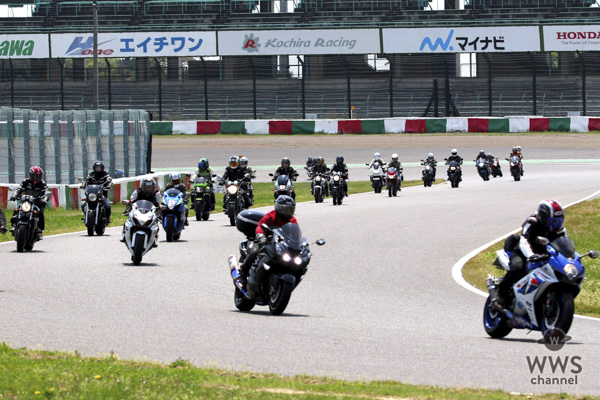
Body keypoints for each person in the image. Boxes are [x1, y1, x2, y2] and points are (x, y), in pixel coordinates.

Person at [495, 200, 566, 307]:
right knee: (517, 268)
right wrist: (531, 255)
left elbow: (564, 243)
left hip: (544, 255)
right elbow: (524, 241)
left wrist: (568, 258)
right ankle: (501, 293)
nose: (555, 224)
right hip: (522, 252)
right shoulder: (532, 222)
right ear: (543, 216)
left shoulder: (559, 228)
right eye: (552, 220)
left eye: (558, 220)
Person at [238, 195, 298, 288]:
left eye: (289, 209)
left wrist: (298, 242)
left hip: (280, 243)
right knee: (254, 252)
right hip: (266, 240)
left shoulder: (292, 220)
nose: (286, 212)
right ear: (278, 208)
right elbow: (260, 225)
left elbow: (296, 232)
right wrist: (260, 235)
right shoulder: (271, 215)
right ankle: (242, 274)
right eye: (284, 209)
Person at [10, 166, 48, 240]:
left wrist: (44, 200)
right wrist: (14, 196)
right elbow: (19, 189)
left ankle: (39, 230)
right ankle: (14, 226)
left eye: (38, 176)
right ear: (31, 175)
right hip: (26, 202)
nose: (37, 177)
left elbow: (46, 193)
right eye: (35, 176)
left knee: (40, 213)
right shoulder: (26, 182)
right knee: (17, 209)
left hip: (37, 203)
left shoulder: (42, 184)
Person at [122, 177, 163, 245]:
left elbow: (160, 204)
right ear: (143, 187)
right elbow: (131, 201)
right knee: (129, 220)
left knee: (155, 223)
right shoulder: (137, 191)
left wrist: (159, 213)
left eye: (150, 187)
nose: (148, 189)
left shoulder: (156, 193)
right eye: (147, 187)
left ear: (153, 187)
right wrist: (128, 209)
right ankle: (124, 235)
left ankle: (154, 238)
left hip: (150, 212)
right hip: (138, 210)